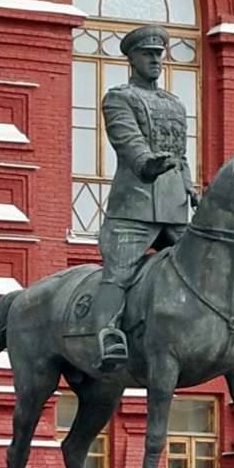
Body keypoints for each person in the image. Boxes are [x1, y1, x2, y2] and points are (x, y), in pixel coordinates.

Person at [92, 24, 199, 371]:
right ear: (132, 58)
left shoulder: (174, 104)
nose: (156, 59)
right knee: (119, 273)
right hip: (135, 206)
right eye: (148, 54)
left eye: (159, 54)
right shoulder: (119, 97)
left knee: (207, 265)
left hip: (175, 207)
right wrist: (146, 162)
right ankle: (107, 333)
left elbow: (180, 153)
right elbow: (127, 141)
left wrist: (189, 186)